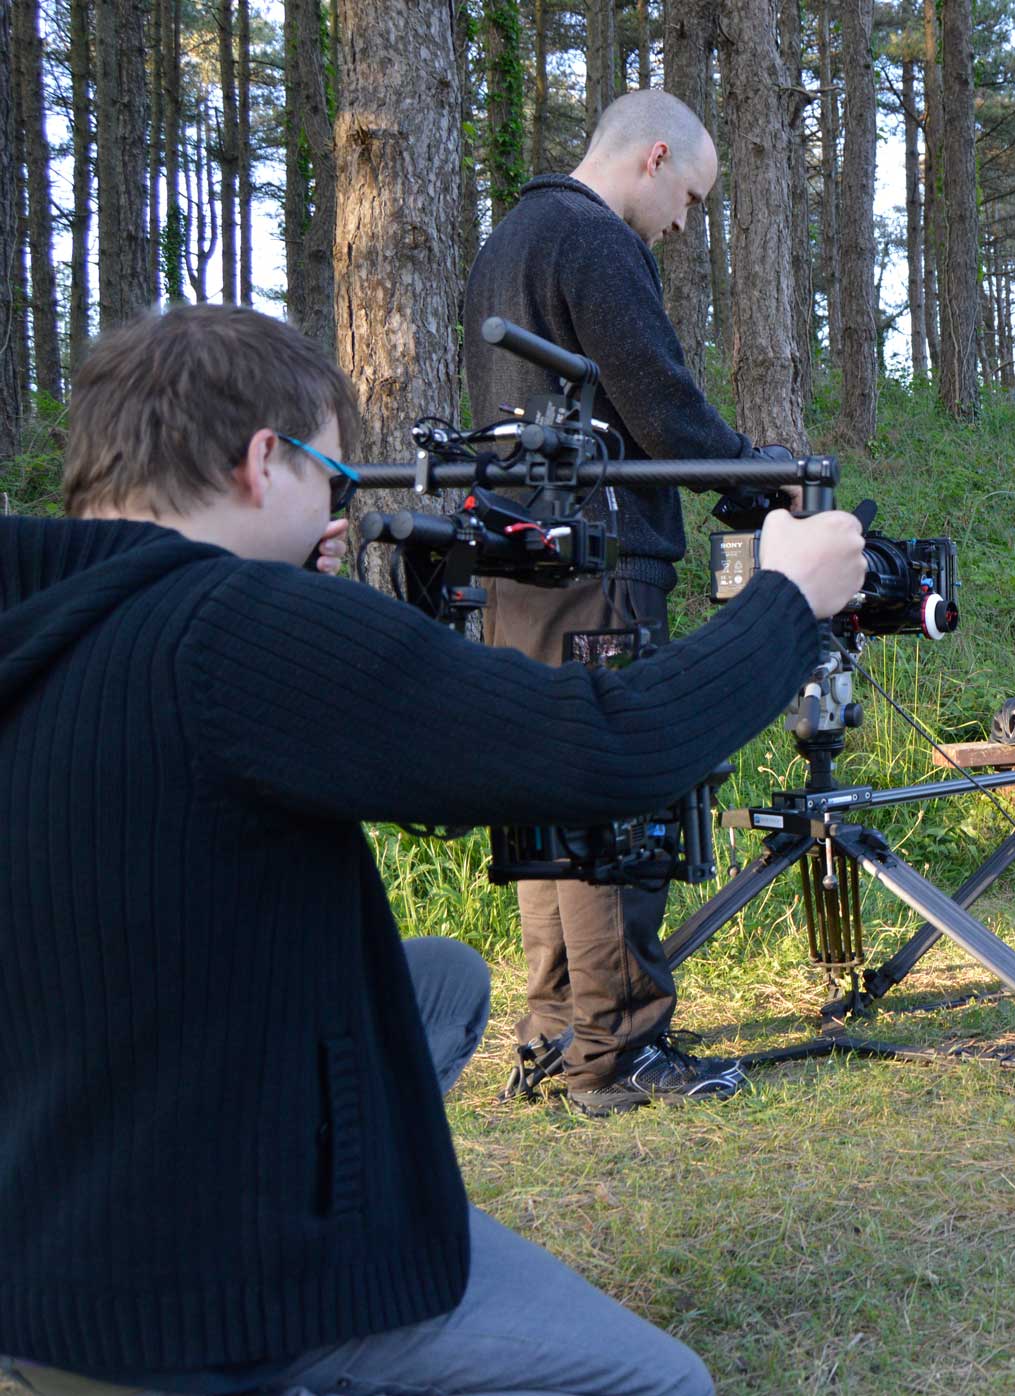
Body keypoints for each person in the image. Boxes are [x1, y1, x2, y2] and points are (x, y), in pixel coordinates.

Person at [0, 304, 866, 1394]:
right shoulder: (235, 629)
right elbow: (612, 745)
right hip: (204, 1291)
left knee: (442, 982)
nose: (339, 509)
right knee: (661, 1384)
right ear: (265, 460)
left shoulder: (46, 616)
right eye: (337, 479)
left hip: (46, 1234)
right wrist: (789, 600)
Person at [462, 88, 782, 1115]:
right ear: (653, 159)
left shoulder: (508, 236)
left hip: (516, 564)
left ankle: (555, 1028)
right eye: (689, 196)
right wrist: (759, 480)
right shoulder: (593, 241)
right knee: (614, 790)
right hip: (596, 563)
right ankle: (622, 1046)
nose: (685, 224)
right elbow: (657, 399)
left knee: (547, 788)